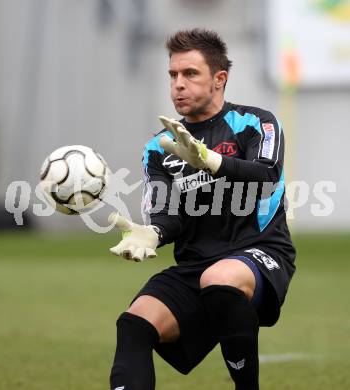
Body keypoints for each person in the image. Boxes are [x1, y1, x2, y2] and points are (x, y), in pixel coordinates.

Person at [108, 28, 296, 390]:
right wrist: (153, 232)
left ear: (219, 79)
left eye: (190, 74)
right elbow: (168, 213)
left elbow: (267, 175)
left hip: (259, 252)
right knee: (134, 324)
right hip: (196, 265)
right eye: (173, 75)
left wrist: (211, 161)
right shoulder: (159, 147)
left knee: (220, 279)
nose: (178, 84)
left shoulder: (256, 122)